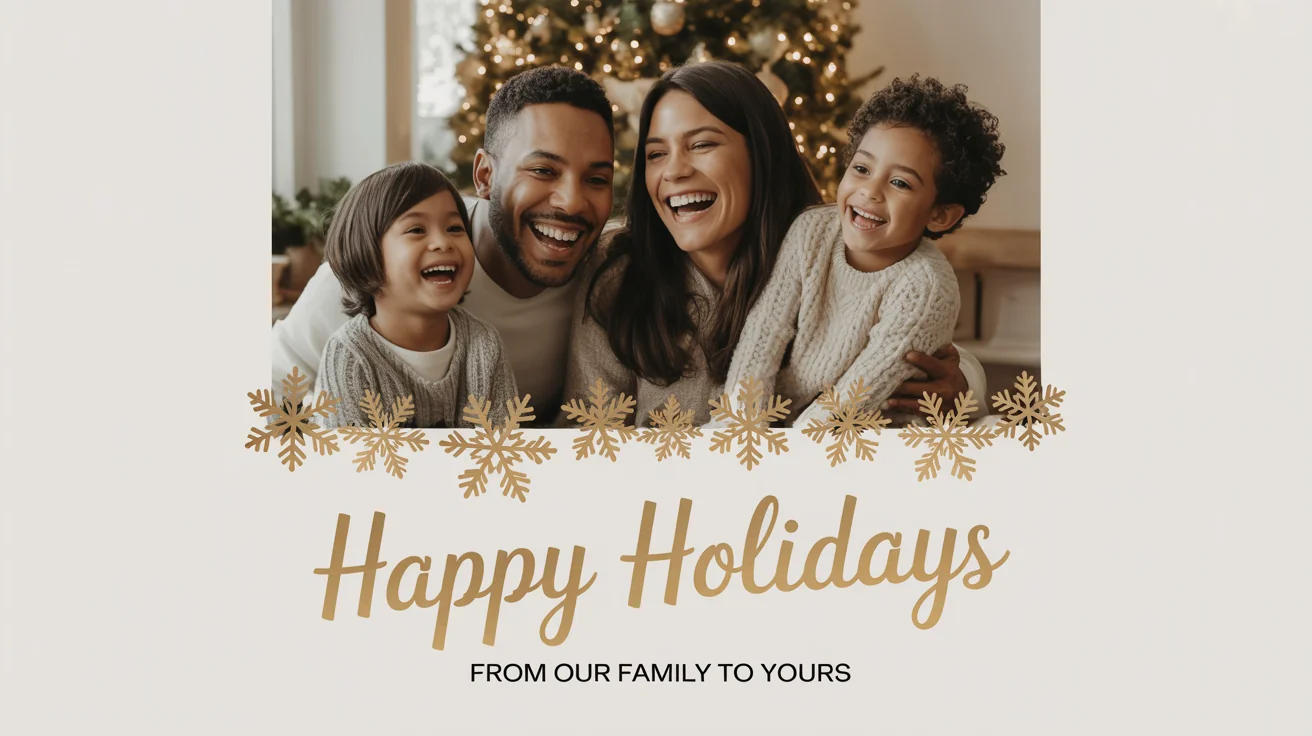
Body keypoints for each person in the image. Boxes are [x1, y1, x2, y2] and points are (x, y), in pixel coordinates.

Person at [564, 62, 989, 427]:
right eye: (656, 154)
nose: (673, 171)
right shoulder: (618, 268)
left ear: (760, 152)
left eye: (702, 144)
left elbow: (901, 336)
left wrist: (964, 383)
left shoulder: (821, 247)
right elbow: (583, 435)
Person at [271, 66, 615, 415]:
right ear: (485, 175)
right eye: (542, 170)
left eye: (597, 179)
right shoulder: (381, 264)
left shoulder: (608, 278)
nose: (572, 202)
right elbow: (262, 405)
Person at [723, 75, 1006, 426]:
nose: (870, 191)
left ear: (940, 214)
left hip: (868, 429)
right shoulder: (812, 230)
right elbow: (765, 332)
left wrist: (792, 455)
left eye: (900, 182)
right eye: (861, 168)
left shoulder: (926, 286)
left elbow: (858, 397)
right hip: (789, 420)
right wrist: (739, 425)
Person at [314, 162, 516, 429]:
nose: (443, 242)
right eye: (417, 230)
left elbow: (506, 452)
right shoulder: (348, 357)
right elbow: (345, 465)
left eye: (455, 228)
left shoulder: (484, 345)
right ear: (366, 254)